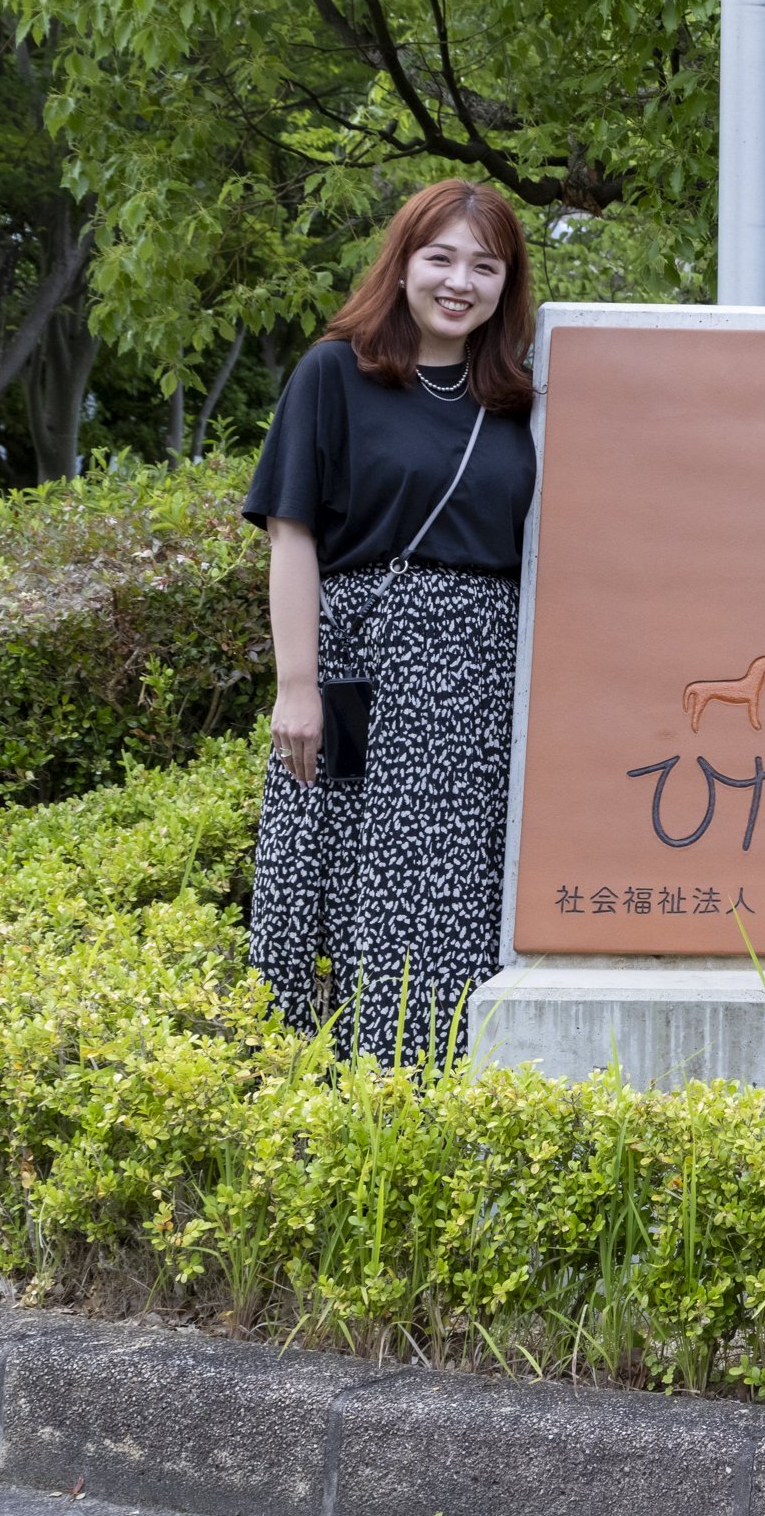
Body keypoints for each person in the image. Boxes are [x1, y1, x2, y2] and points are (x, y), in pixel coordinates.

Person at [248, 179, 540, 1065]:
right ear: (403, 263)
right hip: (360, 658)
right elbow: (292, 531)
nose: (460, 283)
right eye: (440, 258)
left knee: (448, 885)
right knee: (331, 874)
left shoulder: (522, 396)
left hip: (478, 678)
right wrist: (295, 687)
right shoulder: (335, 372)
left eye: (484, 266)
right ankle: (325, 1093)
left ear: (507, 283)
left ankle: (432, 1087)